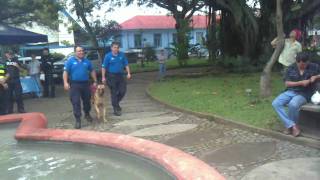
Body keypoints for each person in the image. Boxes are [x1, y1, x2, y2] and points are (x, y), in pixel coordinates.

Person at [272, 52, 320, 137]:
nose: (302, 67)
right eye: (300, 65)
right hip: (291, 91)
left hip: (305, 93)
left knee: (293, 104)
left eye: (304, 65)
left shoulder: (314, 66)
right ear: (297, 62)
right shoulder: (291, 68)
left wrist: (315, 77)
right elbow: (287, 83)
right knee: (276, 103)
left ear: (308, 61)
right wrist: (300, 83)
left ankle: (289, 127)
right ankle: (292, 125)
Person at [63, 46, 97, 129]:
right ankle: (78, 119)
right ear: (75, 52)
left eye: (82, 51)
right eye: (79, 51)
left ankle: (87, 113)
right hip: (74, 84)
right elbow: (65, 72)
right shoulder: (70, 61)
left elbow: (92, 70)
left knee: (87, 101)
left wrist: (95, 81)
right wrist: (65, 82)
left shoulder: (87, 61)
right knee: (76, 102)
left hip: (86, 84)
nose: (81, 52)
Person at [101, 42, 131, 116]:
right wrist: (103, 77)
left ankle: (116, 103)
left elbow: (126, 64)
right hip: (111, 76)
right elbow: (104, 67)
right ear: (111, 48)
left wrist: (128, 73)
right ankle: (115, 109)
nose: (116, 49)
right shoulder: (107, 56)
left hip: (120, 76)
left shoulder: (122, 55)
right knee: (113, 93)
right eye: (114, 47)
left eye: (117, 47)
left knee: (122, 91)